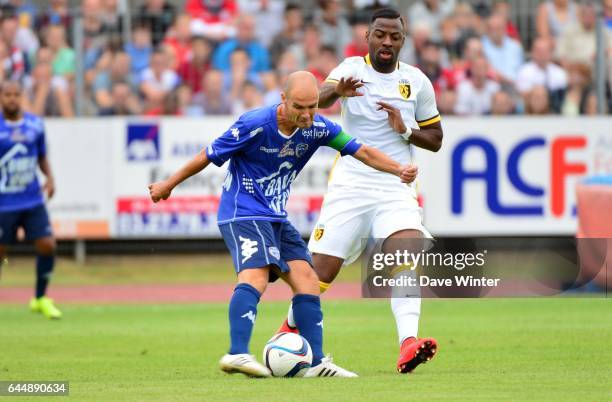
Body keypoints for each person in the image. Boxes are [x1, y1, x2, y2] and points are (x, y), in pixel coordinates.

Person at [148, 70, 418, 378]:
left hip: (275, 216)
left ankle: (315, 363)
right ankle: (237, 353)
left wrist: (399, 169)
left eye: (312, 106)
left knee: (307, 280)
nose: (306, 115)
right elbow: (207, 155)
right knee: (256, 277)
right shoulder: (255, 125)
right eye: (299, 107)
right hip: (243, 212)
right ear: (283, 101)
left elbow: (362, 151)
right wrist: (168, 185)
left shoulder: (318, 128)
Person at [278, 8, 442, 374]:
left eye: (394, 37)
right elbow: (310, 101)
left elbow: (435, 139)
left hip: (395, 183)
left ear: (403, 39)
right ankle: (287, 331)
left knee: (405, 250)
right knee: (322, 270)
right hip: (350, 183)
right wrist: (337, 88)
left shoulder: (416, 82)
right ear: (368, 36)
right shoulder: (350, 68)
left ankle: (408, 343)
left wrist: (404, 130)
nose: (387, 42)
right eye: (380, 35)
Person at [0, 81, 60, 319]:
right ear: (1, 98)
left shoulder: (35, 125)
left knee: (48, 244)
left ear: (21, 96)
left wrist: (50, 178)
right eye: (7, 95)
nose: (12, 99)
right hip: (4, 202)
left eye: (16, 94)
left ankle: (40, 298)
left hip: (32, 198)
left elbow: (41, 156)